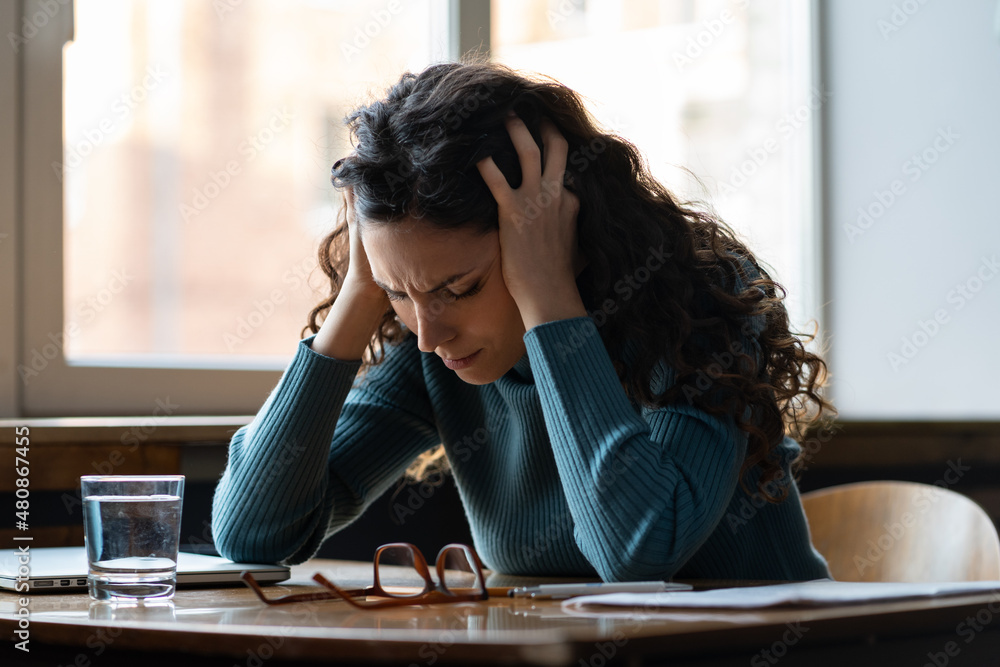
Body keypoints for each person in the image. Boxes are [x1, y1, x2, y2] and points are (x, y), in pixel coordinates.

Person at [211, 60, 834, 582]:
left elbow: (638, 553)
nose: (428, 335)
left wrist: (548, 298)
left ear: (555, 235)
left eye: (461, 288)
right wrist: (358, 295)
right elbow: (253, 534)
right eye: (398, 293)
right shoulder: (431, 345)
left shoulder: (694, 306)